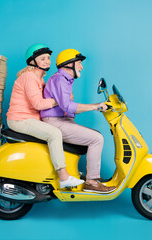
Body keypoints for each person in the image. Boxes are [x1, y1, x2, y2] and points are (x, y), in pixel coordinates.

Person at [6, 44, 84, 188]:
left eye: (48, 58)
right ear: (32, 61)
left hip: (30, 119)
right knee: (54, 134)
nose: (47, 61)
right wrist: (59, 100)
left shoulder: (40, 79)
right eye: (42, 59)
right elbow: (38, 104)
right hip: (20, 119)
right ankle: (64, 177)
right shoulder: (29, 77)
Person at [41, 49, 116, 193]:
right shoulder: (59, 79)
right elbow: (67, 106)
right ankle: (92, 182)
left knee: (93, 134)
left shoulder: (65, 80)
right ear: (69, 64)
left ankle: (85, 177)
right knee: (96, 138)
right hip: (55, 121)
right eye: (79, 63)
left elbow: (67, 108)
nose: (81, 67)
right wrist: (95, 106)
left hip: (62, 120)